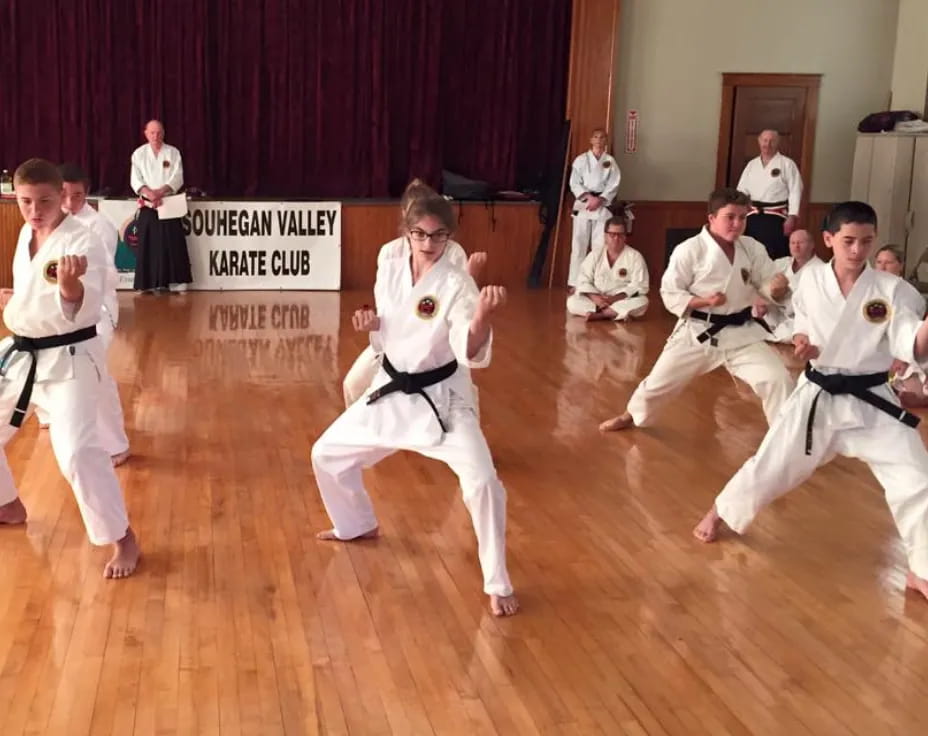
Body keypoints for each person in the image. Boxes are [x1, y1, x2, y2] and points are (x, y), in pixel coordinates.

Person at [693, 201, 928, 602]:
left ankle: (921, 569)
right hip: (819, 395)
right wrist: (802, 341)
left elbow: (910, 342)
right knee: (773, 461)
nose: (857, 251)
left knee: (917, 480)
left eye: (866, 242)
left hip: (873, 400)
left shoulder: (893, 291)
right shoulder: (811, 281)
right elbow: (801, 322)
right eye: (849, 241)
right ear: (829, 239)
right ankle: (722, 510)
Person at [312, 193, 518, 617]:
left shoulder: (457, 284)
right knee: (326, 454)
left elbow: (468, 347)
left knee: (482, 481)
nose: (428, 244)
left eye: (438, 235)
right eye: (420, 234)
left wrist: (482, 316)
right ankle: (357, 523)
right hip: (391, 386)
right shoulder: (389, 262)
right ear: (406, 232)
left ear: (449, 236)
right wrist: (373, 324)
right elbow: (389, 320)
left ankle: (497, 582)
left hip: (441, 400)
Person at [0, 159, 139, 578]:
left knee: (78, 452)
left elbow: (84, 307)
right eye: (25, 201)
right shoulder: (27, 233)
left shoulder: (84, 241)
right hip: (23, 353)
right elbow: (31, 294)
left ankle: (124, 538)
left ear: (62, 195)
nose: (34, 210)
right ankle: (7, 503)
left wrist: (70, 289)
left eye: (44, 200)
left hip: (70, 359)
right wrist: (15, 301)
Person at [599, 188, 794, 432]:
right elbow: (670, 292)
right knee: (659, 384)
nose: (737, 224)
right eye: (730, 217)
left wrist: (775, 289)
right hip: (698, 332)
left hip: (741, 333)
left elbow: (766, 282)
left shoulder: (751, 247)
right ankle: (631, 415)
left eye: (742, 217)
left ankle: (785, 436)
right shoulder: (689, 250)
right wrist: (704, 302)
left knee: (778, 378)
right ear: (712, 218)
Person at [342, 179, 485, 407]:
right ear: (404, 217)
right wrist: (372, 321)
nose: (427, 237)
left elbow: (463, 302)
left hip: (438, 345)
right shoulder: (389, 254)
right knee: (353, 384)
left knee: (461, 397)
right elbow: (385, 309)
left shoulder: (453, 252)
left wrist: (471, 275)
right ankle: (366, 428)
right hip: (395, 343)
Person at [33, 164, 131, 465]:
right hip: (56, 306)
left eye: (76, 196)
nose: (69, 202)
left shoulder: (97, 226)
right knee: (44, 360)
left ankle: (115, 443)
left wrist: (77, 291)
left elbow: (106, 278)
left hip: (97, 309)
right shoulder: (47, 224)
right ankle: (51, 411)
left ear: (86, 195)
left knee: (94, 371)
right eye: (63, 195)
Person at [130, 119, 192, 293]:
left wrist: (161, 192)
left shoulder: (173, 153)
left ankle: (177, 281)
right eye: (152, 133)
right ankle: (148, 282)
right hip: (148, 204)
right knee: (148, 243)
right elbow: (136, 179)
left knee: (173, 242)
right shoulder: (138, 154)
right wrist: (150, 194)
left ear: (163, 133)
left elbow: (177, 177)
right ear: (146, 133)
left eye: (158, 132)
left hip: (168, 202)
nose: (155, 136)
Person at [873, 245, 928, 406]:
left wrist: (901, 355)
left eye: (888, 262)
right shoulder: (869, 289)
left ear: (900, 265)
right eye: (878, 262)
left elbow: (907, 330)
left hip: (902, 348)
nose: (882, 267)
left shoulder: (907, 292)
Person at [566, 216, 649, 322]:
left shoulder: (635, 257)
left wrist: (613, 299)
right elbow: (583, 280)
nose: (616, 238)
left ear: (625, 237)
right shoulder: (595, 254)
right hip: (597, 299)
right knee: (572, 301)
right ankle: (611, 313)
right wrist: (596, 298)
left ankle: (601, 315)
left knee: (642, 301)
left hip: (621, 299)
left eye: (620, 235)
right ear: (605, 236)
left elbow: (640, 286)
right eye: (612, 234)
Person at [737, 129, 803, 260]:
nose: (767, 144)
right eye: (765, 140)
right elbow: (741, 190)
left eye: (772, 141)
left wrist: (792, 216)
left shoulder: (787, 164)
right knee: (750, 251)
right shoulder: (752, 165)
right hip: (752, 215)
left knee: (774, 253)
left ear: (778, 143)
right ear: (759, 141)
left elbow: (796, 189)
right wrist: (740, 210)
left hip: (776, 216)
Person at [567, 128, 620, 291]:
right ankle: (575, 282)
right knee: (578, 243)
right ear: (591, 140)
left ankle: (597, 281)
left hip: (602, 205)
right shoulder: (581, 160)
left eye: (602, 137)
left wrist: (600, 199)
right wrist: (589, 198)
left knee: (600, 245)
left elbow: (614, 184)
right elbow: (574, 182)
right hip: (584, 203)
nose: (598, 140)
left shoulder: (609, 161)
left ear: (606, 141)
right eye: (595, 137)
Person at [754, 228, 822, 343]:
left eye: (800, 243)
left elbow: (813, 308)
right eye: (793, 243)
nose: (796, 246)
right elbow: (761, 283)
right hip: (773, 317)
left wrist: (786, 294)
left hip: (798, 321)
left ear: (812, 245)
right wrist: (761, 300)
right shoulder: (782, 263)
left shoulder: (820, 271)